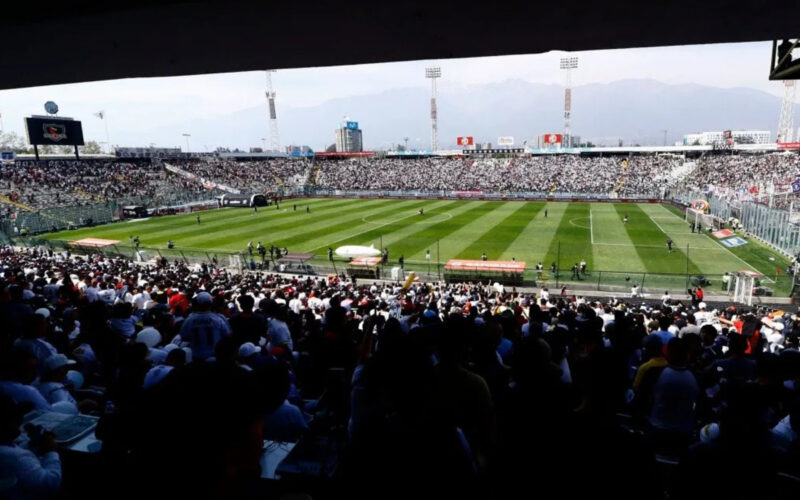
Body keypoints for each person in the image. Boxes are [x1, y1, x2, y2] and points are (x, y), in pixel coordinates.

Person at [0, 395, 62, 499]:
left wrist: (32, 445)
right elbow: (50, 484)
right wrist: (51, 451)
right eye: (13, 418)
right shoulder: (16, 457)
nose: (20, 420)